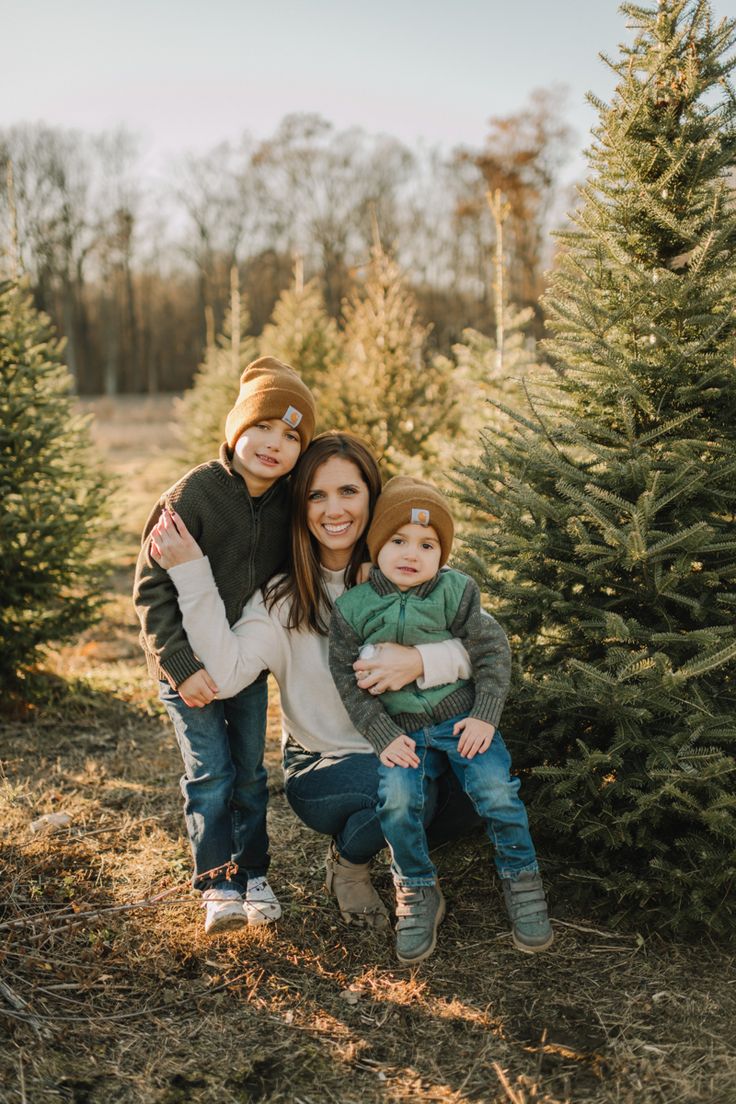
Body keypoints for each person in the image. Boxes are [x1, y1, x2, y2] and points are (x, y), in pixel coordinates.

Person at [149, 432, 479, 932]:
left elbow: (482, 651)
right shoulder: (284, 599)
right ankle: (350, 862)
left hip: (414, 745)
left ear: (372, 495)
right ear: (300, 506)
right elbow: (227, 675)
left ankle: (397, 831)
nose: (333, 510)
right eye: (316, 495)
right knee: (403, 788)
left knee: (478, 788)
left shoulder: (409, 566)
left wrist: (418, 660)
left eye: (348, 491)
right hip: (326, 764)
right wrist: (192, 574)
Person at [328, 476, 553, 965]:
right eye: (399, 541)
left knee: (497, 792)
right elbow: (347, 681)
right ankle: (416, 888)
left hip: (463, 722)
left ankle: (522, 880)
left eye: (427, 545)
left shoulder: (457, 591)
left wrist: (485, 718)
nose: (412, 553)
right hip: (403, 732)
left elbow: (492, 650)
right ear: (377, 545)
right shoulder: (353, 609)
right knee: (398, 802)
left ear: (443, 553)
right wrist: (383, 735)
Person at [134, 356, 315, 935]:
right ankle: (217, 882)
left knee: (249, 774)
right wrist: (181, 667)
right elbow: (151, 590)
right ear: (236, 427)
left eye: (290, 436)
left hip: (243, 665)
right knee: (209, 772)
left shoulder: (291, 506)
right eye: (262, 426)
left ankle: (254, 873)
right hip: (185, 671)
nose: (273, 444)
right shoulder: (194, 494)